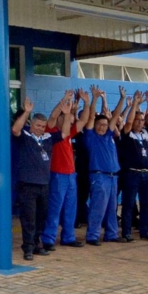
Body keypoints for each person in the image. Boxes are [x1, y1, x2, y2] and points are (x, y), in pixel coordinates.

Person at [12, 96, 73, 260]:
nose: (41, 129)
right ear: (31, 124)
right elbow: (15, 130)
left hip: (44, 184)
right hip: (28, 184)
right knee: (28, 218)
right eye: (38, 125)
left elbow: (65, 133)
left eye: (43, 126)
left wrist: (67, 115)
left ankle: (36, 244)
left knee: (41, 217)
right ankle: (28, 248)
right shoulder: (25, 135)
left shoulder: (47, 138)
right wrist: (27, 112)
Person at [42, 90, 88, 250]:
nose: (70, 119)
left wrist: (88, 102)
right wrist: (65, 100)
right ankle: (48, 238)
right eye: (66, 117)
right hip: (57, 175)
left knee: (70, 207)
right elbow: (53, 116)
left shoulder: (68, 135)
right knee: (55, 207)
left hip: (70, 175)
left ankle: (68, 237)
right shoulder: (51, 133)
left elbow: (83, 120)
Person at [83, 86, 126, 246]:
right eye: (99, 124)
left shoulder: (109, 135)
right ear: (94, 125)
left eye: (104, 125)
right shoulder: (91, 137)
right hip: (99, 176)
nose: (102, 127)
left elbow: (114, 117)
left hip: (113, 177)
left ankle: (111, 234)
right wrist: (94, 99)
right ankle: (92, 236)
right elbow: (90, 118)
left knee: (112, 207)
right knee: (98, 207)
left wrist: (122, 99)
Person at [117, 91, 148, 242]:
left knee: (146, 204)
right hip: (131, 174)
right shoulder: (127, 134)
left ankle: (145, 231)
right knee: (128, 204)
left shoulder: (147, 133)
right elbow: (128, 122)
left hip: (147, 174)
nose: (139, 122)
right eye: (138, 120)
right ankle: (126, 232)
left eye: (142, 120)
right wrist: (135, 104)